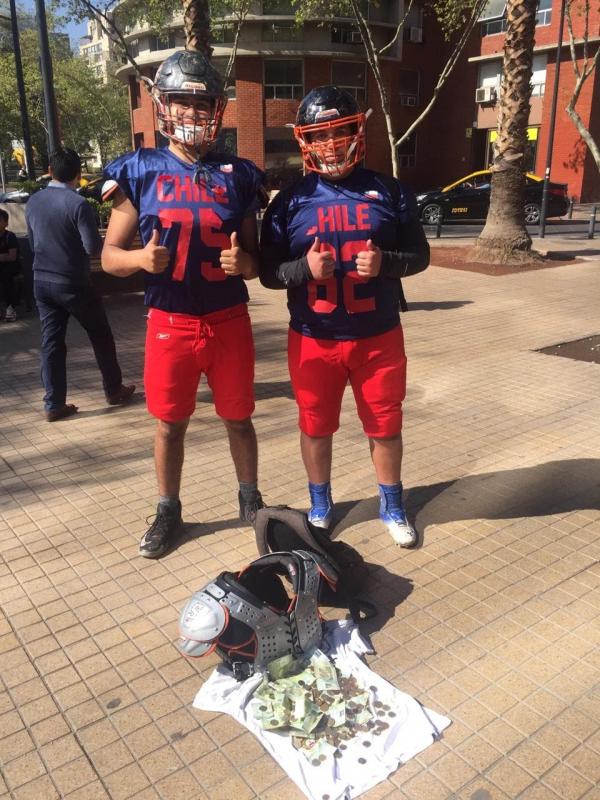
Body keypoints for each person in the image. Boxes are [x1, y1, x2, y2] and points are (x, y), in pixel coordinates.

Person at [101, 50, 265, 559]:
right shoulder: (141, 169)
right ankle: (168, 509)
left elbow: (255, 261)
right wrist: (140, 259)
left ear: (216, 109)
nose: (192, 113)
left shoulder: (239, 173)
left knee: (239, 418)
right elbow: (108, 257)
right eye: (182, 103)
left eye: (202, 104)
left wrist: (247, 263)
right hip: (170, 320)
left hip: (228, 317)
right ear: (164, 106)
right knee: (170, 424)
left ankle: (250, 499)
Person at [260, 86, 429, 547]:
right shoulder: (288, 202)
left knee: (385, 426)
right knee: (315, 426)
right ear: (304, 140)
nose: (331, 143)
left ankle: (392, 503)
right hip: (314, 336)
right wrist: (303, 270)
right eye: (320, 134)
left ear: (358, 131)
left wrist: (387, 263)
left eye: (339, 131)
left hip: (378, 335)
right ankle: (320, 504)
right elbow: (268, 273)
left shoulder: (390, 191)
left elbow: (420, 255)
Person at [25, 148, 135, 423]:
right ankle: (114, 390)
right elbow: (92, 247)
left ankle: (53, 403)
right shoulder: (78, 204)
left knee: (51, 342)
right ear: (78, 174)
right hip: (73, 283)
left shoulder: (34, 201)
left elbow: (32, 242)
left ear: (50, 171)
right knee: (100, 335)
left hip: (42, 281)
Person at [0, 209, 20, 322]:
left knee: (6, 277)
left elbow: (12, 256)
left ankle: (10, 308)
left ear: (6, 223)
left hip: (11, 267)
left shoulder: (10, 236)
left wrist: (3, 257)